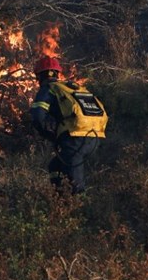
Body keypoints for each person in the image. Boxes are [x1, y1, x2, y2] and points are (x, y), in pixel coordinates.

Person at [29, 56, 108, 193]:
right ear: (57, 73)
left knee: (75, 182)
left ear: (40, 76)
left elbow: (38, 116)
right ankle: (59, 198)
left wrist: (50, 135)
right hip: (95, 136)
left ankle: (78, 208)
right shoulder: (71, 88)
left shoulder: (49, 88)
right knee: (55, 166)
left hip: (75, 138)